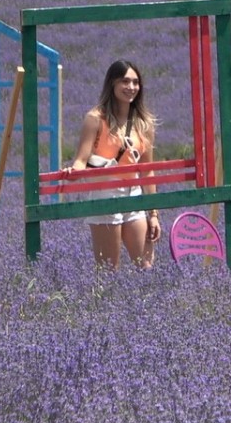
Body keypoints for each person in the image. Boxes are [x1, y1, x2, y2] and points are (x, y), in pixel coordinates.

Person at [66, 60, 161, 269]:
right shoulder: (95, 119)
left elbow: (148, 171)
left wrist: (153, 214)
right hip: (105, 194)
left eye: (136, 82)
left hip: (134, 195)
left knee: (146, 266)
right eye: (125, 81)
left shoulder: (143, 123)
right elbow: (82, 159)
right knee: (109, 270)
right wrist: (74, 171)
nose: (131, 87)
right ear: (112, 84)